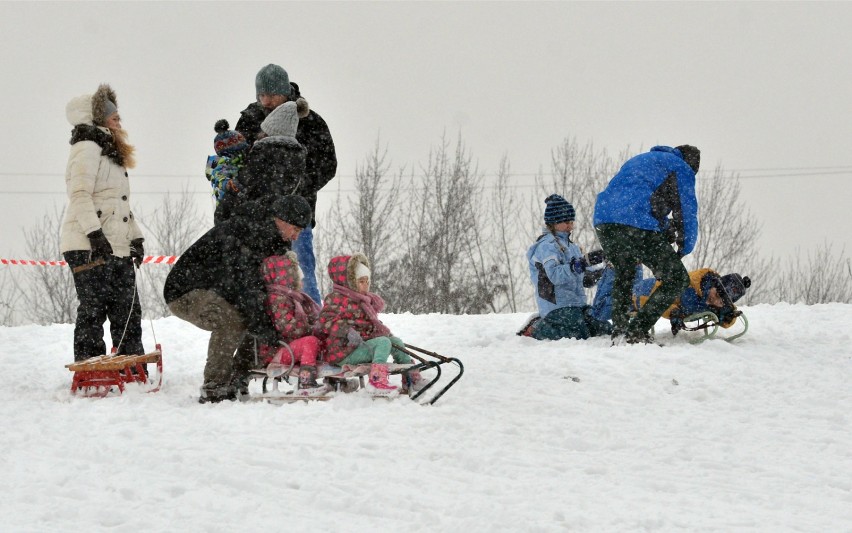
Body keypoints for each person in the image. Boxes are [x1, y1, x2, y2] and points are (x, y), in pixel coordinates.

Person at [163, 195, 312, 403]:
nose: (296, 237)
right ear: (283, 220)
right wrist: (262, 322)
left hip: (220, 288)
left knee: (258, 319)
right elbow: (244, 285)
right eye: (295, 230)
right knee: (231, 320)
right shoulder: (247, 232)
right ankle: (214, 388)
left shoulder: (273, 240)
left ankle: (237, 377)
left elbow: (257, 290)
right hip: (185, 290)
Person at [235, 64, 337, 306]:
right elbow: (237, 162)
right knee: (258, 278)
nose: (267, 101)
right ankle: (267, 335)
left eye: (272, 95)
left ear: (285, 92)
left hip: (296, 219)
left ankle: (311, 326)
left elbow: (327, 165)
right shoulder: (249, 120)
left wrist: (297, 190)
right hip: (258, 216)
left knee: (302, 275)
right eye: (262, 95)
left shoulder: (311, 123)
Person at [61, 84, 146, 361]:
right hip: (88, 243)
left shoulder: (110, 151)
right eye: (114, 117)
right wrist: (94, 234)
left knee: (128, 308)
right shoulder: (87, 147)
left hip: (115, 244)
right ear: (100, 120)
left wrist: (135, 237)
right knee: (94, 308)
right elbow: (79, 195)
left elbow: (119, 203)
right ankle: (90, 365)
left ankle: (131, 364)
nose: (119, 122)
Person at [593, 145, 700, 344]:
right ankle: (637, 330)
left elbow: (641, 199)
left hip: (604, 221)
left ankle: (621, 330)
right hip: (635, 223)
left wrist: (665, 227)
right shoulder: (682, 167)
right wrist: (685, 245)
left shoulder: (645, 160)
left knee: (625, 272)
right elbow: (687, 211)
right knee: (676, 279)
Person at [318, 253, 423, 397]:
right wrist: (347, 331)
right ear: (350, 282)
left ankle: (411, 378)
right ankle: (376, 381)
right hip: (343, 351)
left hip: (361, 346)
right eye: (361, 281)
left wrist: (384, 333)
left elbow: (370, 325)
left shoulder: (364, 301)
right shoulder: (336, 299)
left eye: (367, 281)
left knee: (395, 342)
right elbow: (326, 321)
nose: (366, 284)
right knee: (383, 343)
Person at [522, 194, 612, 341]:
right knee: (578, 333)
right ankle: (537, 328)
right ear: (553, 222)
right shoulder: (546, 246)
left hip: (577, 305)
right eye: (565, 222)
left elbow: (586, 280)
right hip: (556, 306)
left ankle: (558, 325)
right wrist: (581, 264)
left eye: (571, 222)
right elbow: (555, 275)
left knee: (603, 327)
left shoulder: (572, 247)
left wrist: (604, 270)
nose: (570, 226)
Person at [215, 100, 306, 223]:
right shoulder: (296, 158)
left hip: (249, 223)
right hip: (280, 227)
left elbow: (241, 186)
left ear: (268, 132)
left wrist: (222, 215)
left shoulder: (261, 154)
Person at [590, 266, 751, 335]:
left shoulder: (717, 301)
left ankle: (628, 267)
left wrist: (727, 315)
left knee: (626, 287)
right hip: (648, 293)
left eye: (719, 301)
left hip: (650, 294)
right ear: (715, 284)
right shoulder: (691, 286)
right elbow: (661, 302)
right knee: (600, 313)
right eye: (716, 293)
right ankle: (610, 270)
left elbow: (728, 319)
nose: (713, 298)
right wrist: (674, 313)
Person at [256, 251, 330, 397]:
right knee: (310, 341)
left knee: (325, 340)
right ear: (287, 277)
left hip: (290, 347)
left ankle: (332, 380)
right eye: (298, 277)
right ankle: (306, 382)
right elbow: (288, 328)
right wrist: (311, 329)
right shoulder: (277, 298)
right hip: (277, 351)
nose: (302, 282)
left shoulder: (294, 298)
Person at [205, 119, 249, 205]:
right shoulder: (224, 164)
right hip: (231, 205)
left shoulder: (243, 161)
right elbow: (220, 177)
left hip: (232, 204)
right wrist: (231, 185)